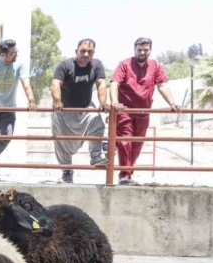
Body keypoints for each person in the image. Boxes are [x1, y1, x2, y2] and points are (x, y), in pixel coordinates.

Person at [110, 37, 179, 185]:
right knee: (124, 142)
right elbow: (114, 83)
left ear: (150, 50)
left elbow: (162, 86)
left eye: (145, 49)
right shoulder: (124, 64)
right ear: (134, 49)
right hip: (125, 111)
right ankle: (124, 175)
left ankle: (128, 173)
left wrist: (172, 103)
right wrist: (115, 102)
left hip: (143, 112)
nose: (142, 52)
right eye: (139, 49)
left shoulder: (155, 66)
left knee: (137, 145)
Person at [50, 39, 109, 184]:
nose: (86, 54)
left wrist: (103, 103)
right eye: (83, 51)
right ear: (76, 50)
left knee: (97, 122)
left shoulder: (97, 65)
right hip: (64, 110)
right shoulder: (65, 65)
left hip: (85, 108)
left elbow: (101, 83)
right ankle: (67, 172)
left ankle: (96, 157)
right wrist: (57, 101)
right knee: (61, 141)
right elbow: (55, 83)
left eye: (90, 52)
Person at [0, 39, 36, 181]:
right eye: (12, 53)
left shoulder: (19, 64)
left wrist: (32, 101)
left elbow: (26, 84)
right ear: (3, 55)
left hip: (8, 108)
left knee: (7, 136)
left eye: (16, 52)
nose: (15, 55)